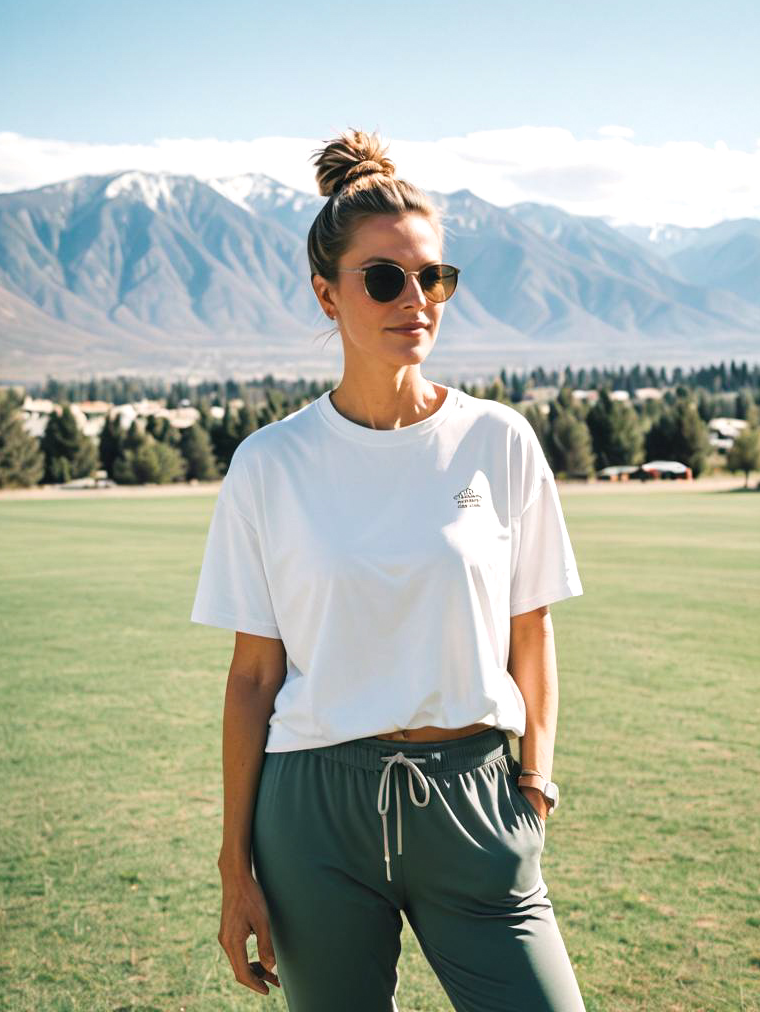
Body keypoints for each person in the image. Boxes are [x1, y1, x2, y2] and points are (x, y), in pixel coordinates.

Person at [190, 127, 587, 1011]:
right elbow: (254, 677)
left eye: (433, 277)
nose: (416, 299)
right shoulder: (269, 463)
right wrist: (234, 869)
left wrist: (537, 780)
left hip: (475, 801)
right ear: (328, 296)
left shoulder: (499, 440)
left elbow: (534, 628)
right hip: (314, 815)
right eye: (385, 278)